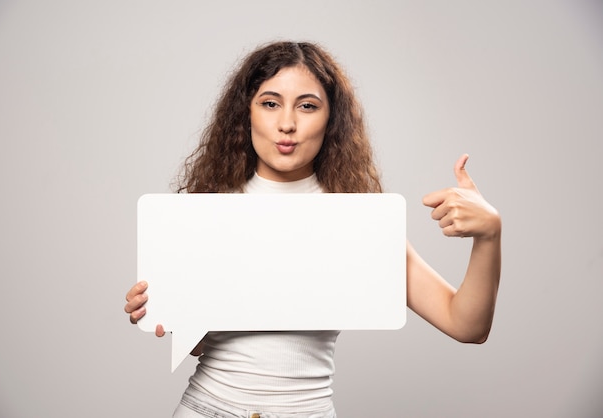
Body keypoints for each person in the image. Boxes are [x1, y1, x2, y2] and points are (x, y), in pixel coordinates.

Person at [124, 41, 501, 418]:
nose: (286, 123)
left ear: (330, 119)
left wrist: (489, 235)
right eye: (270, 103)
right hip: (204, 408)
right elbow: (204, 343)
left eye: (307, 106)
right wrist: (169, 313)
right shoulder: (205, 213)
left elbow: (467, 325)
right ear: (246, 113)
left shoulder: (358, 221)